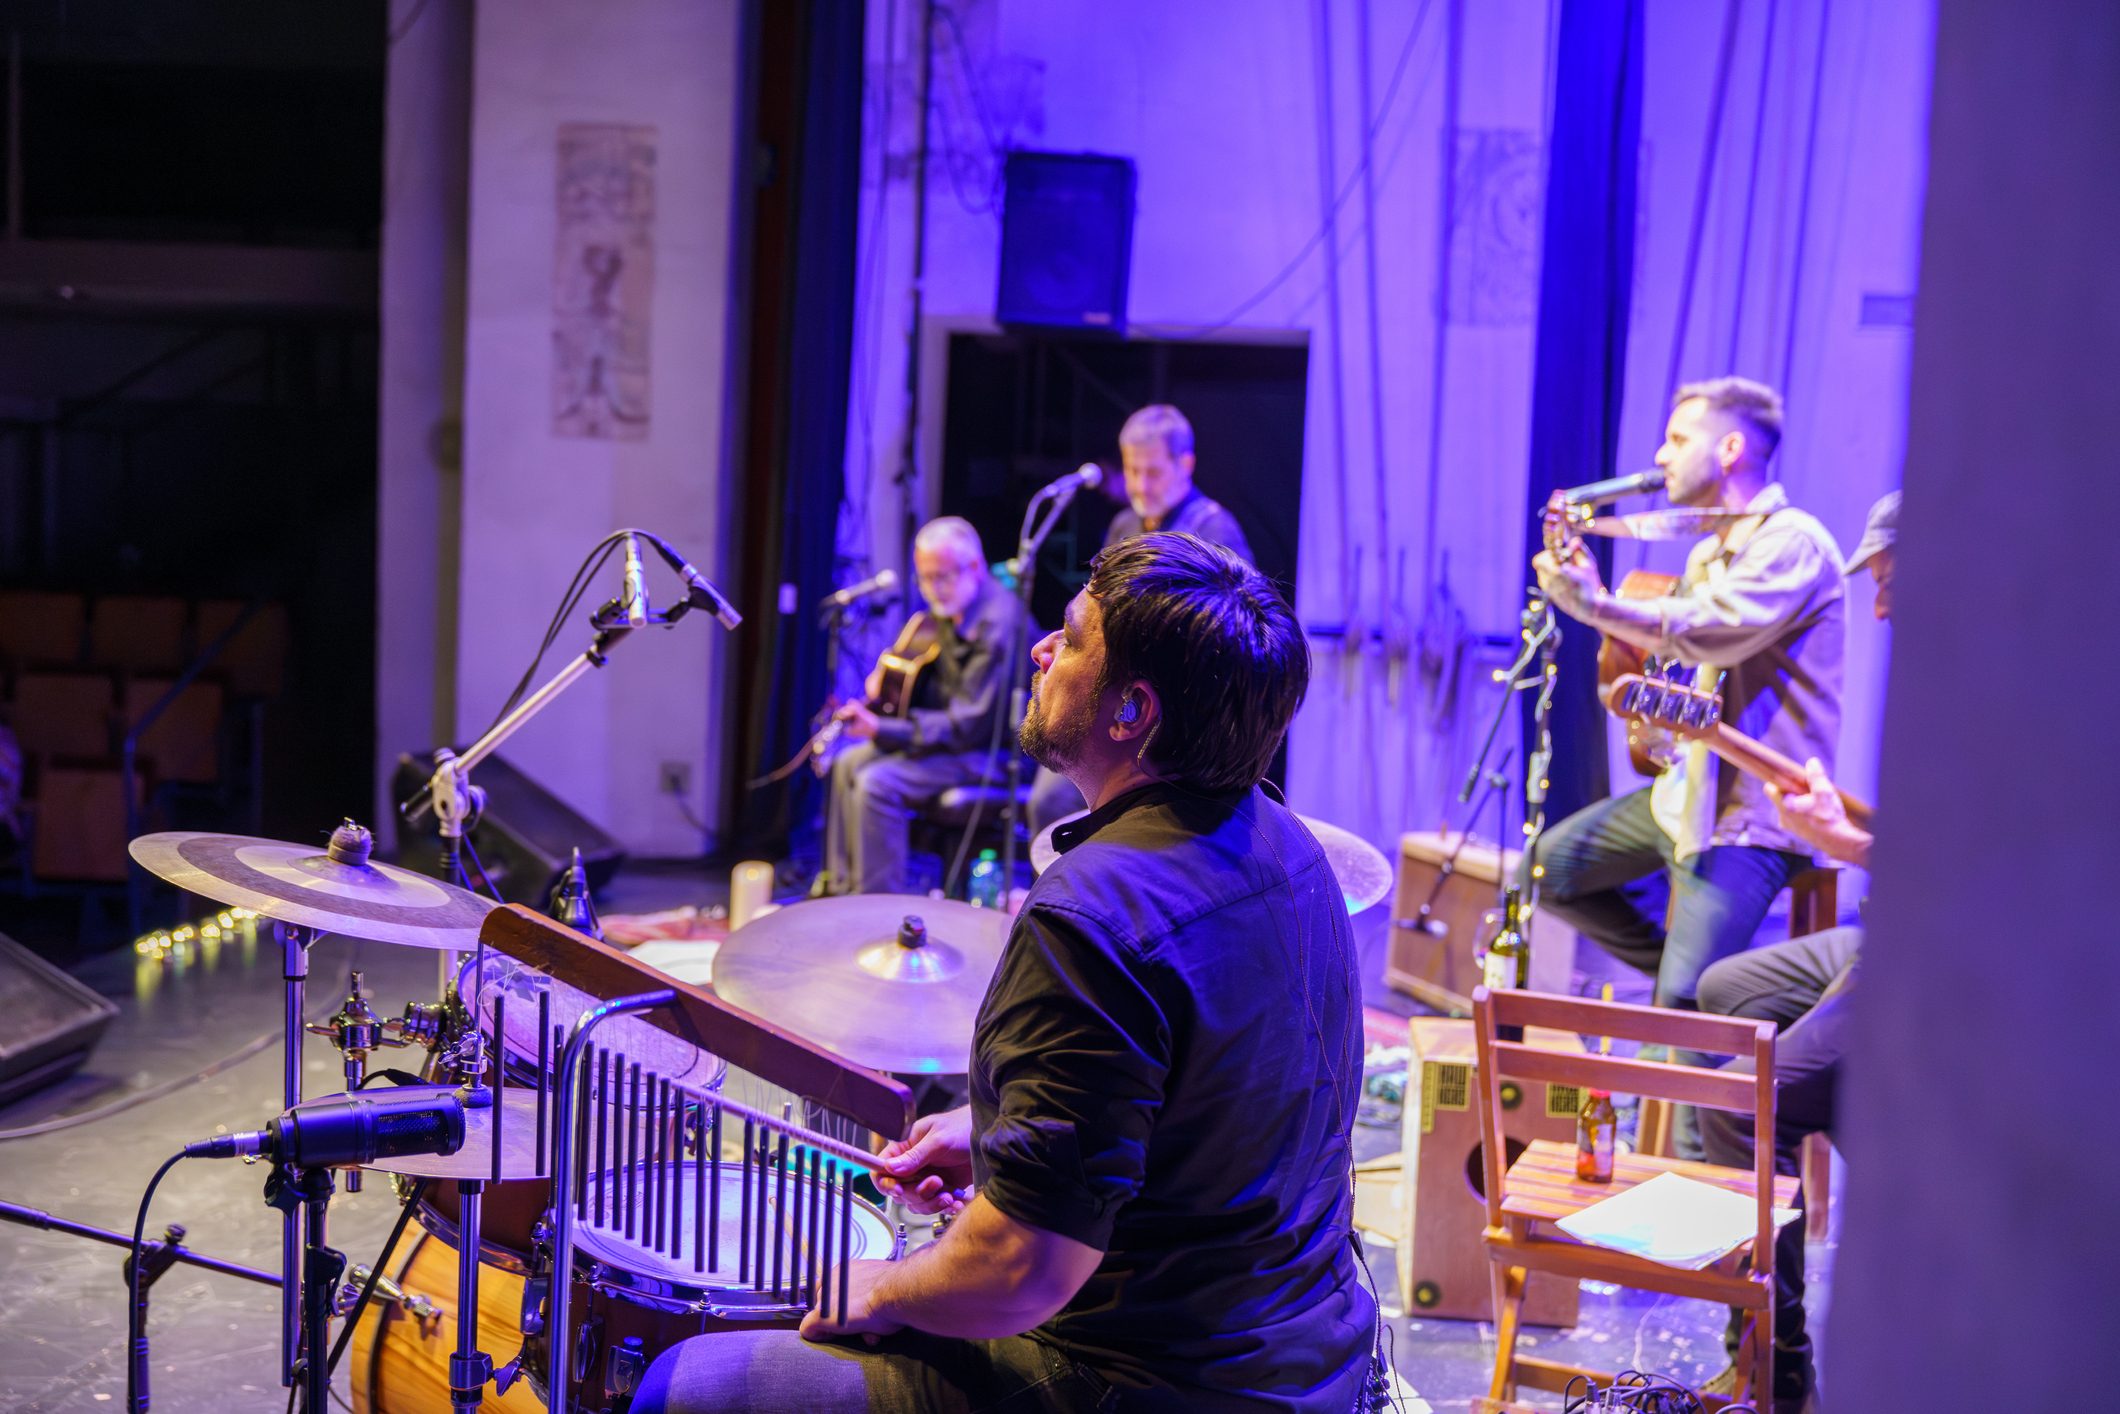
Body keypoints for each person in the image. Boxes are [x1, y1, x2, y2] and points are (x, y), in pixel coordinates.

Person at [634, 532, 1378, 1412]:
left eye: (1072, 638)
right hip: (1311, 1357)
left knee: (688, 1384)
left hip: (1141, 1386)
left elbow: (1022, 1272)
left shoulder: (1091, 916)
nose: (1042, 650)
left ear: (1132, 710)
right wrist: (995, 1131)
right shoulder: (1293, 849)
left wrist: (883, 1287)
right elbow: (1211, 1113)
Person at [1529, 376, 1846, 1157]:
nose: (1661, 455)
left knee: (1680, 1007)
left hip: (1752, 813)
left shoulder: (1794, 541)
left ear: (1730, 447)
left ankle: (1702, 1157)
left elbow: (1711, 630)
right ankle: (1708, 991)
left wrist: (1595, 605)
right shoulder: (1709, 550)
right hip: (1685, 795)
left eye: (1677, 438)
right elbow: (1684, 667)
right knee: (1549, 869)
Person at [1695, 489, 1899, 1414]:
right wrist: (1845, 824)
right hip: (1876, 935)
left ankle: (1779, 1371)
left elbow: (1972, 873)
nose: (1879, 606)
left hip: (1915, 964)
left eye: (1890, 581)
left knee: (1746, 1095)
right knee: (1726, 989)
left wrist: (1843, 842)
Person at [1026, 405, 1255, 834]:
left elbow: (1232, 647)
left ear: (1185, 465)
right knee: (1048, 800)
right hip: (1110, 694)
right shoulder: (1124, 525)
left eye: (1153, 472)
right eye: (1132, 471)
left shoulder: (1214, 533)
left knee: (1065, 803)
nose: (1140, 485)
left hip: (1168, 715)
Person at [822, 516, 1033, 895]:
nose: (933, 590)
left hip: (991, 755)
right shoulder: (955, 607)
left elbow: (968, 725)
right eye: (924, 578)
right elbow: (936, 689)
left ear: (974, 567)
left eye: (942, 577)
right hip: (954, 742)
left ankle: (875, 905)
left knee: (877, 783)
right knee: (846, 763)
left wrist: (882, 728)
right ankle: (840, 891)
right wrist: (884, 687)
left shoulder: (999, 627)